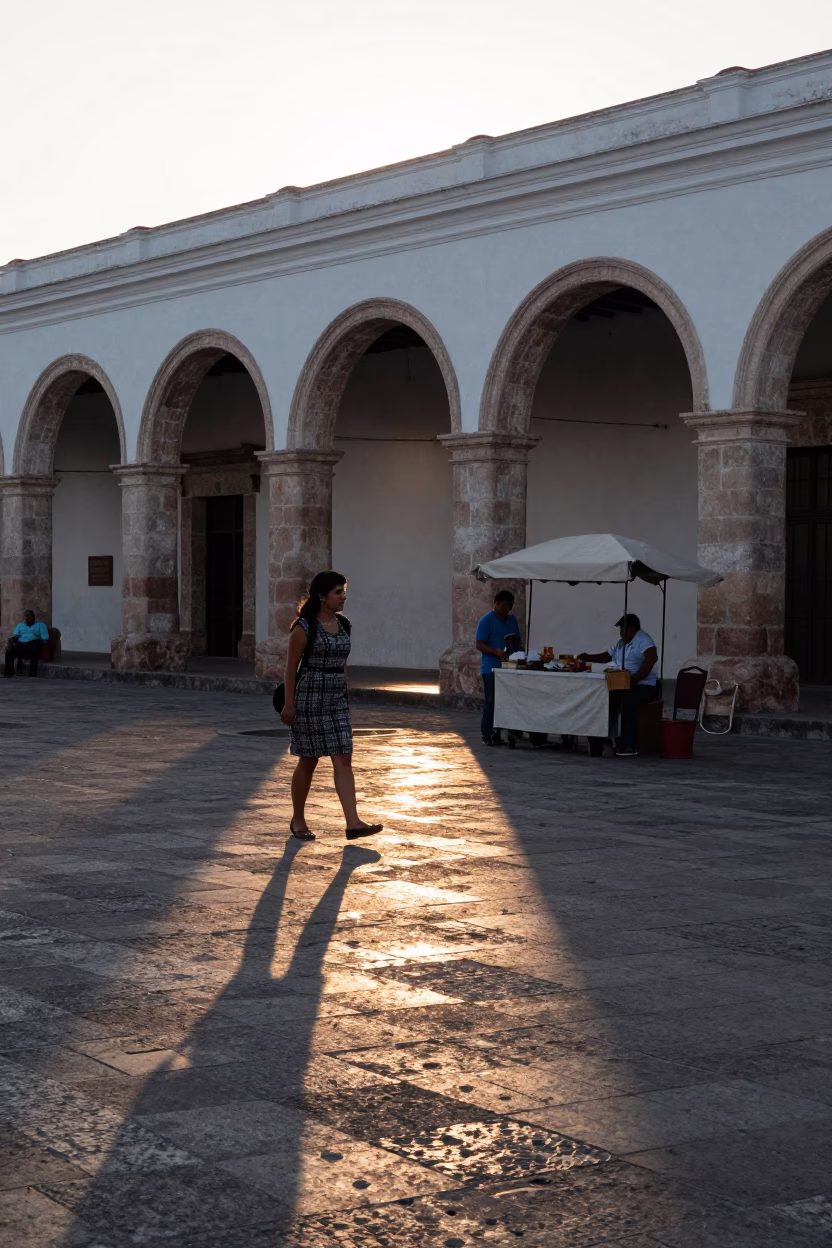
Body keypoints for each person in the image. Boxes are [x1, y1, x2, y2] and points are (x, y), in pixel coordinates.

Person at [280, 571, 383, 842]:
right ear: (322, 596)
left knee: (343, 756)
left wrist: (346, 696)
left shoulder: (344, 624)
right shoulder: (304, 627)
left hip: (336, 698)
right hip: (309, 698)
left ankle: (353, 823)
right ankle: (298, 819)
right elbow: (291, 668)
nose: (343, 597)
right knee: (309, 759)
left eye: (344, 591)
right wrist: (289, 704)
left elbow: (342, 664)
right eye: (338, 592)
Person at [579, 613, 659, 757]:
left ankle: (629, 744)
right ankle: (603, 738)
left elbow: (652, 657)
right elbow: (608, 656)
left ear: (632, 629)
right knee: (601, 698)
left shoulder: (643, 639)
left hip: (643, 685)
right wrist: (588, 657)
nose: (621, 633)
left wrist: (637, 677)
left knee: (627, 701)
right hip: (623, 681)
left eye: (623, 629)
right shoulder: (621, 643)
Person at [476, 590, 522, 746]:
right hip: (491, 668)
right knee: (491, 702)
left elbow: (516, 641)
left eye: (510, 606)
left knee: (509, 701)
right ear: (496, 604)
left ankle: (507, 731)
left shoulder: (512, 621)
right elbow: (479, 644)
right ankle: (487, 733)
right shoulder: (486, 620)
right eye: (505, 605)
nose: (507, 609)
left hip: (510, 667)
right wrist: (496, 652)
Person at [4, 610, 50, 678]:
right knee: (9, 649)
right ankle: (8, 672)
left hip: (34, 643)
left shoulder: (40, 625)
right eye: (26, 616)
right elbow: (15, 635)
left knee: (36, 646)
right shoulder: (20, 625)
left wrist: (37, 634)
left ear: (33, 617)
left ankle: (32, 673)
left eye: (29, 616)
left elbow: (46, 638)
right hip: (22, 644)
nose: (27, 617)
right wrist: (11, 641)